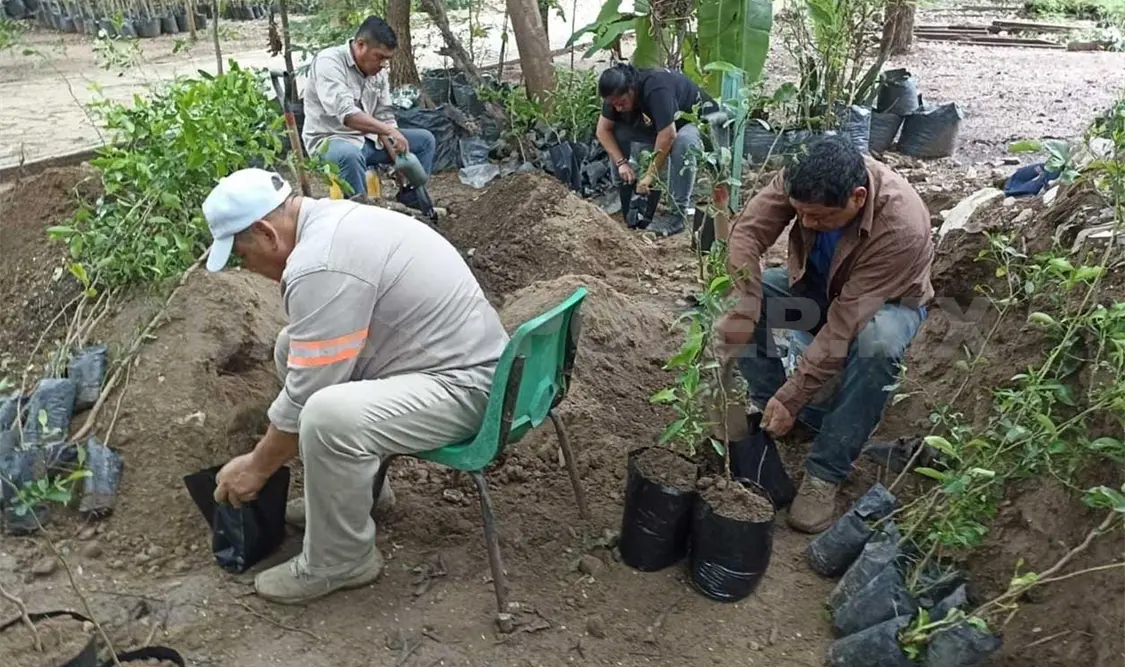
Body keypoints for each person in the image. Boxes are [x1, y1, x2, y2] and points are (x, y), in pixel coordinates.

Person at [201, 167, 509, 604]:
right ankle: (353, 499)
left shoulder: (320, 263)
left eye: (243, 256)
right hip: (453, 362)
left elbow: (308, 396)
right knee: (293, 348)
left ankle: (340, 559)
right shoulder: (333, 220)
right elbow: (314, 364)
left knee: (327, 418)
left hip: (468, 387)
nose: (248, 268)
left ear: (266, 234)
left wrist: (257, 467)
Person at [718, 136, 934, 534]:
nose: (806, 224)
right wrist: (747, 302)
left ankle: (825, 473)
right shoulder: (803, 173)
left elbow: (844, 323)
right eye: (800, 214)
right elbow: (747, 233)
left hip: (887, 303)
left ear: (857, 197)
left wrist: (796, 391)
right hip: (818, 287)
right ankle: (775, 413)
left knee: (877, 346)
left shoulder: (901, 224)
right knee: (749, 304)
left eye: (818, 218)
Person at [301, 16, 436, 213]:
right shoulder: (329, 62)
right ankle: (360, 214)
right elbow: (347, 115)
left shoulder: (378, 73)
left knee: (424, 141)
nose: (383, 64)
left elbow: (384, 114)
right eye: (379, 57)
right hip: (331, 141)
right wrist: (388, 131)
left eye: (386, 59)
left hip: (369, 140)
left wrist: (396, 150)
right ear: (360, 45)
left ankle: (412, 201)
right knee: (350, 155)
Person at [595, 63, 718, 237]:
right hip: (666, 124)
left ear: (632, 90)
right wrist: (622, 163)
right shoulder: (616, 93)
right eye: (613, 105)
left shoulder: (656, 88)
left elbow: (668, 135)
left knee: (683, 142)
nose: (618, 108)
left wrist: (649, 176)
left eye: (621, 103)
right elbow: (602, 130)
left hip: (697, 119)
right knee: (616, 130)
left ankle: (678, 215)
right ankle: (620, 190)